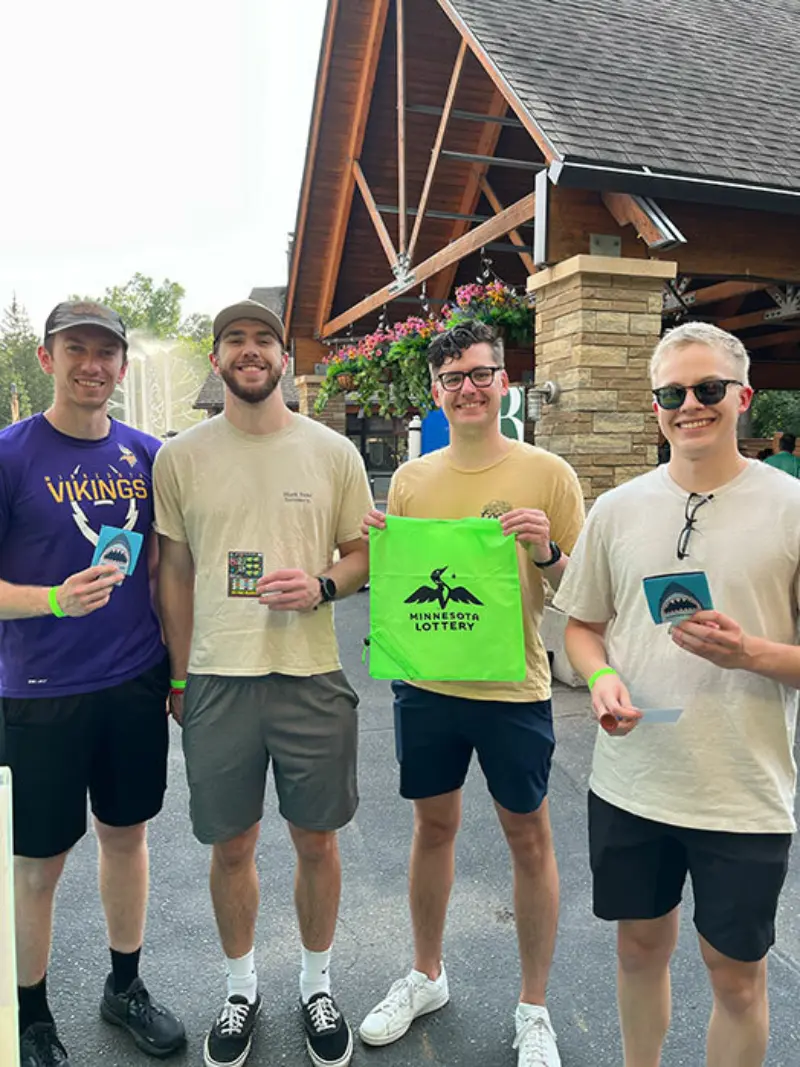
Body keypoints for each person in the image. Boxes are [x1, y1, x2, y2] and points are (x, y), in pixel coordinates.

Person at [553, 321, 800, 1067]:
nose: (689, 404)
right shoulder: (618, 508)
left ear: (744, 397)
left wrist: (749, 650)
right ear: (654, 405)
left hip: (743, 789)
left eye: (708, 388)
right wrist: (599, 678)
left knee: (737, 977)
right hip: (633, 779)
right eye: (672, 392)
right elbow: (584, 627)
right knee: (638, 949)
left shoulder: (790, 506)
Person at [359, 319, 585, 1067]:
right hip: (427, 687)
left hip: (514, 688)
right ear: (435, 390)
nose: (469, 387)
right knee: (433, 830)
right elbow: (397, 583)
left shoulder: (548, 473)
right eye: (454, 377)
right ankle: (427, 974)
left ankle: (535, 1007)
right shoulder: (414, 479)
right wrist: (381, 546)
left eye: (482, 373)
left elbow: (583, 591)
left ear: (504, 382)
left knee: (529, 839)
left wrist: (547, 548)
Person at [153, 299, 372, 1067]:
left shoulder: (333, 452)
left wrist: (320, 585)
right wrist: (178, 674)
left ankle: (317, 983)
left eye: (264, 340)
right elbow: (173, 572)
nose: (250, 352)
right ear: (216, 360)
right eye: (234, 341)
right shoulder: (179, 456)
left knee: (317, 839)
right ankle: (240, 987)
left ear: (284, 358)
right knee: (233, 844)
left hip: (311, 674)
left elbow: (361, 555)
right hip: (217, 676)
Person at [0, 301, 185, 1067]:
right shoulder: (12, 455)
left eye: (106, 352)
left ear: (122, 365)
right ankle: (31, 1014)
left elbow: (171, 570)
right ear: (47, 359)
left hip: (133, 682)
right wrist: (50, 598)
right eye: (76, 349)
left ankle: (124, 985)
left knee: (126, 836)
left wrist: (176, 670)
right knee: (39, 862)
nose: (92, 365)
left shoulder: (146, 454)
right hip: (39, 691)